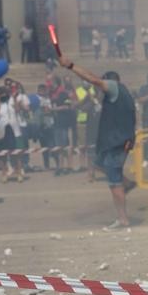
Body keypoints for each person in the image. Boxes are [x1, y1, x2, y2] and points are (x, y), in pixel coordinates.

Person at [56, 55, 137, 230]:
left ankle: (123, 219)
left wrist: (71, 66)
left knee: (114, 182)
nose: (99, 89)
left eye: (102, 84)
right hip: (117, 141)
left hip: (118, 143)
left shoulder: (114, 88)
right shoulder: (123, 94)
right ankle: (128, 183)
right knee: (98, 164)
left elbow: (93, 79)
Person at [0, 86, 25, 183]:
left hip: (13, 130)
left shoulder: (11, 101)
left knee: (15, 154)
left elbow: (18, 110)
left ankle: (18, 172)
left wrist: (14, 98)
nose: (3, 96)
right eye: (1, 94)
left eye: (5, 94)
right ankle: (4, 173)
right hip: (1, 130)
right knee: (2, 154)